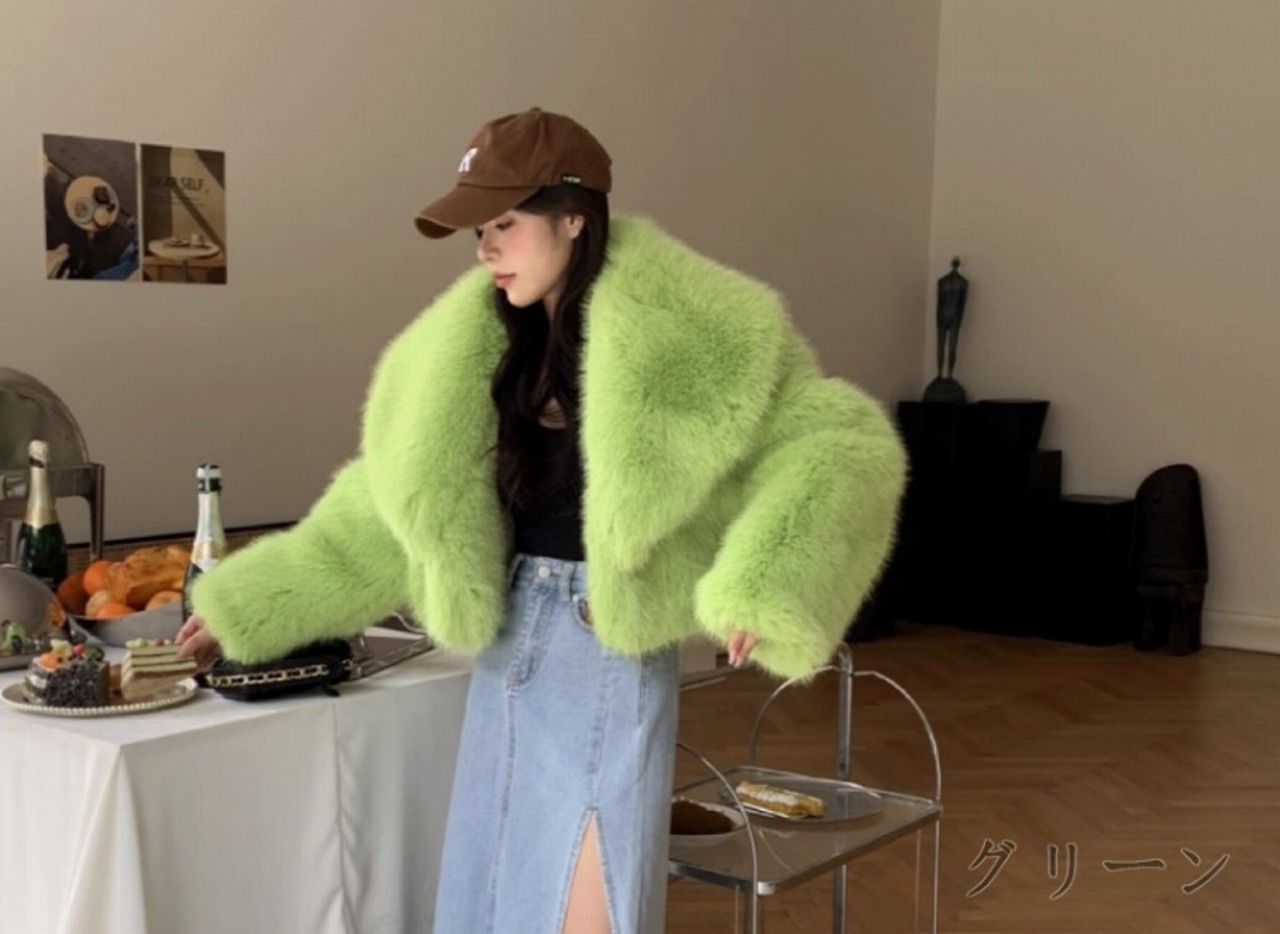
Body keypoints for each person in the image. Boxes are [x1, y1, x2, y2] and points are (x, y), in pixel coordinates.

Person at [176, 107, 907, 934]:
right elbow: (388, 506)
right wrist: (247, 607)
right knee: (494, 898)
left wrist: (769, 582)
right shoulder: (471, 346)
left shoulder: (702, 329)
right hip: (508, 650)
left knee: (584, 906)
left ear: (574, 218)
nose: (485, 249)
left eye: (505, 225)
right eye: (478, 231)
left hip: (607, 654)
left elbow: (838, 444)